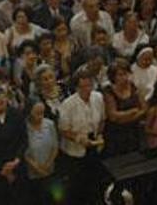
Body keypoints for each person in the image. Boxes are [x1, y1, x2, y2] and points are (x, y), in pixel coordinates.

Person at [58, 67, 105, 205]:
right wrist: (79, 139)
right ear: (76, 87)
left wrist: (100, 135)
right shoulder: (68, 104)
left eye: (89, 85)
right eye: (83, 86)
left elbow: (102, 120)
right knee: (77, 188)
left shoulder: (98, 97)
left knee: (95, 182)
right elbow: (63, 130)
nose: (87, 89)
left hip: (93, 145)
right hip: (75, 151)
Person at [23, 100, 58, 205]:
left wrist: (48, 164)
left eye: (42, 113)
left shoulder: (50, 124)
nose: (40, 116)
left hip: (50, 170)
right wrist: (37, 168)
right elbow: (23, 152)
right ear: (30, 112)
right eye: (37, 113)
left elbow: (55, 146)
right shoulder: (24, 128)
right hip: (33, 174)